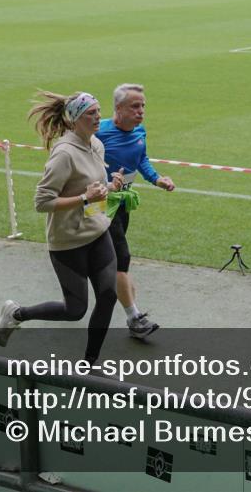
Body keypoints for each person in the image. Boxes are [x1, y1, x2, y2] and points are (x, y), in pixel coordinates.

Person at [0, 91, 122, 364]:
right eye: (91, 113)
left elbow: (93, 190)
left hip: (98, 231)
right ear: (75, 119)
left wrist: (110, 188)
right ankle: (17, 314)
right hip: (68, 242)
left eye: (99, 111)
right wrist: (85, 198)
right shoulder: (64, 154)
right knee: (76, 309)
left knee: (109, 294)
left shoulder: (96, 145)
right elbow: (42, 202)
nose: (98, 116)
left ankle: (89, 364)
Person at [95, 83, 175, 341]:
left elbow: (141, 159)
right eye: (135, 106)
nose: (141, 111)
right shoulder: (100, 133)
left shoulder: (139, 130)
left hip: (123, 203)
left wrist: (157, 179)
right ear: (118, 109)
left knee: (113, 260)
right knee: (121, 258)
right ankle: (134, 318)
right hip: (100, 204)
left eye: (143, 106)